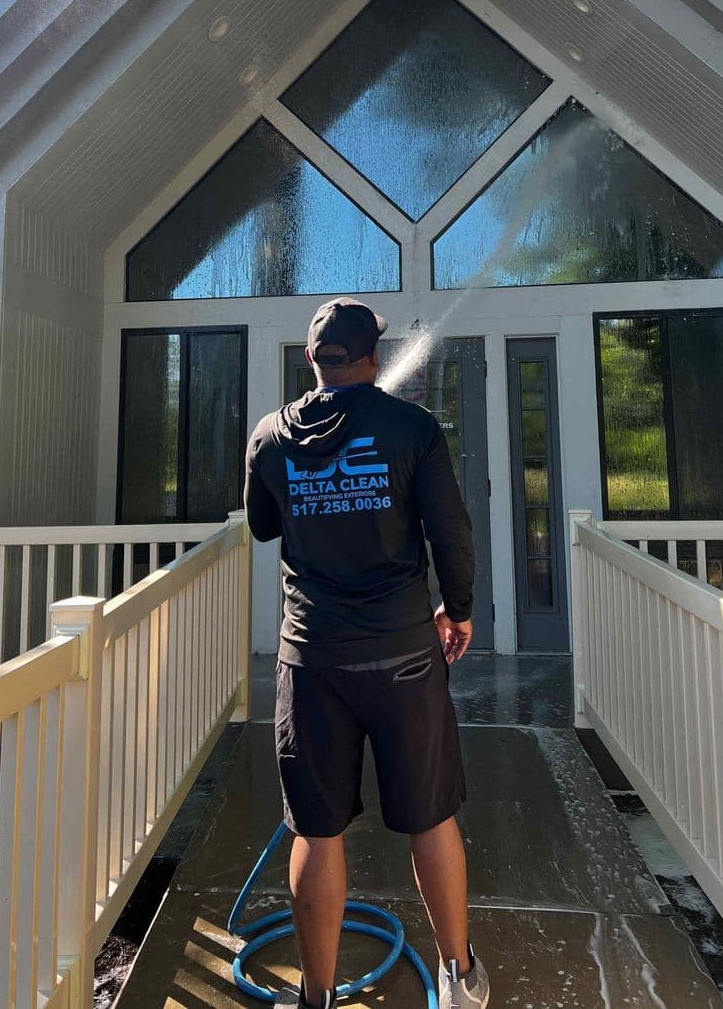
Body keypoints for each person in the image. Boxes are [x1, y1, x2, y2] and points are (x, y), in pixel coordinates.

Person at [244, 297, 490, 1009]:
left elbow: (262, 525)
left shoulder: (270, 436)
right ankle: (459, 976)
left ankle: (316, 996)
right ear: (373, 358)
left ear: (311, 359)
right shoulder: (412, 428)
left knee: (316, 830)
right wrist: (458, 610)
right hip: (403, 654)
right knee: (430, 817)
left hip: (312, 658)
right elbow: (452, 532)